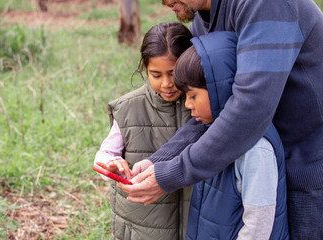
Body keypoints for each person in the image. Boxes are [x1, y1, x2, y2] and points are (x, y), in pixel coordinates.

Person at [119, 0, 323, 239]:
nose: (165, 2)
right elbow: (212, 110)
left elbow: (248, 109)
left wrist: (171, 174)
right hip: (252, 166)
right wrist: (160, 161)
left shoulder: (266, 4)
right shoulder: (200, 18)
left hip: (306, 170)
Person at [178, 31, 288, 239]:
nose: (187, 104)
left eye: (193, 95)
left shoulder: (257, 148)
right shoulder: (214, 132)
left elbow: (258, 225)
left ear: (220, 88)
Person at [94, 22, 193, 240]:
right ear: (144, 68)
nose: (167, 83)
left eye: (174, 73)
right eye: (156, 75)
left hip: (194, 225)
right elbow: (103, 157)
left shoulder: (201, 104)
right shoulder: (129, 108)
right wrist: (111, 165)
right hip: (143, 228)